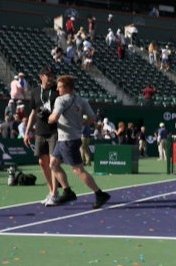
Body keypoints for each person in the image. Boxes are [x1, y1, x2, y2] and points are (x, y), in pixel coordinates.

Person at [47, 75, 111, 209]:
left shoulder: (60, 100)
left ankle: (99, 193)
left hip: (67, 140)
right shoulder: (81, 100)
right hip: (70, 138)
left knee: (78, 170)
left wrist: (49, 118)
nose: (57, 90)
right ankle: (67, 191)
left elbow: (55, 116)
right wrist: (81, 123)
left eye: (59, 87)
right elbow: (93, 118)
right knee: (53, 164)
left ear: (66, 87)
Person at [24, 66, 61, 206]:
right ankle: (51, 191)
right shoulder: (34, 92)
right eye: (48, 75)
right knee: (42, 162)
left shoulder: (57, 90)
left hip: (54, 131)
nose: (50, 77)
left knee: (53, 163)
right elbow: (33, 113)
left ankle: (55, 194)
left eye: (52, 75)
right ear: (41, 76)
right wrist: (27, 132)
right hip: (40, 131)